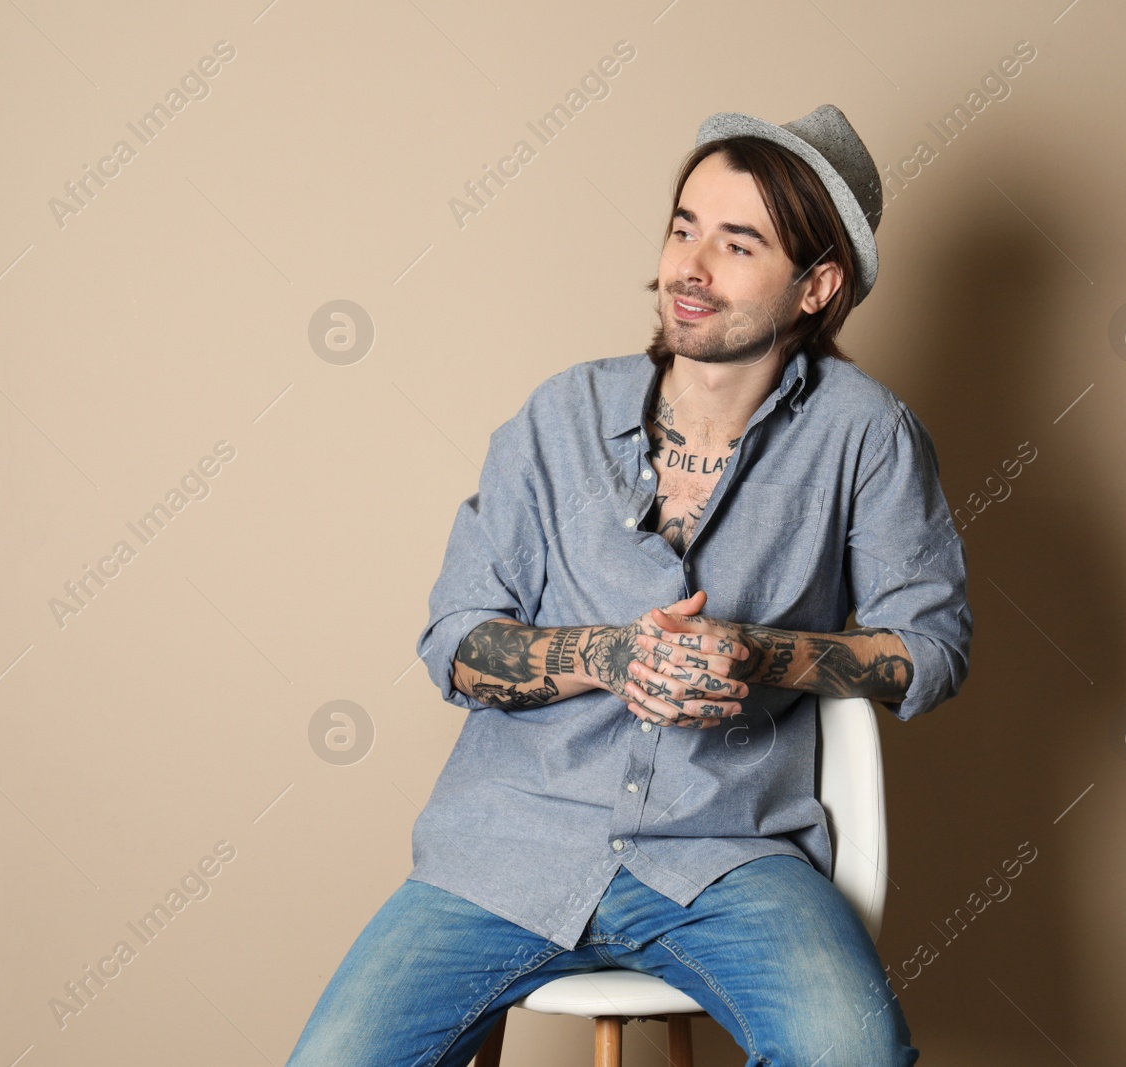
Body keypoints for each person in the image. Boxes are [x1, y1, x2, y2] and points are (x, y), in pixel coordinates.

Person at [286, 105, 972, 1066]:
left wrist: (759, 651)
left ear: (817, 285)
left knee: (854, 1053)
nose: (690, 267)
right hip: (510, 848)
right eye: (683, 227)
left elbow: (931, 653)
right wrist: (608, 654)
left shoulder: (866, 434)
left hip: (728, 856)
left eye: (738, 245)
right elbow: (457, 640)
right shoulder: (558, 417)